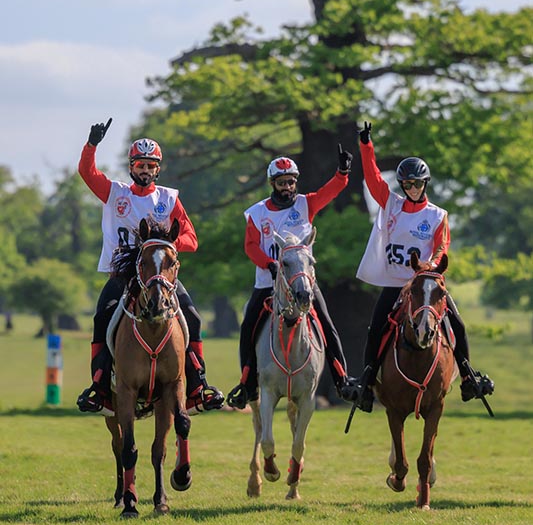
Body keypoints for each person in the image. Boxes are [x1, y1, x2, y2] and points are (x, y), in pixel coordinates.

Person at [76, 118, 224, 416]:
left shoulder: (168, 198)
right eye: (140, 165)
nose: (145, 170)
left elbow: (191, 238)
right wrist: (91, 145)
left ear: (158, 169)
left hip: (158, 273)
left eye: (150, 165)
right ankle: (101, 388)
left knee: (192, 318)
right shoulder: (115, 193)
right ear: (131, 167)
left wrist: (163, 246)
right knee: (102, 317)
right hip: (123, 273)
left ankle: (197, 387)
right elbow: (87, 172)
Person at [347, 121, 494, 412]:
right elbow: (373, 176)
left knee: (459, 326)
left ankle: (467, 377)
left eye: (417, 183)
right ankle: (365, 382)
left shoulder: (437, 215)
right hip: (395, 283)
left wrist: (430, 266)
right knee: (375, 327)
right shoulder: (391, 203)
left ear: (425, 183)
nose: (412, 188)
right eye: (407, 184)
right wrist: (366, 145)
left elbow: (442, 247)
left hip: (425, 283)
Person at [226, 146, 357, 409]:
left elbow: (330, 191)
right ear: (273, 183)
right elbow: (251, 245)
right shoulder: (257, 212)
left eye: (292, 181)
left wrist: (343, 172)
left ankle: (342, 378)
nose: (288, 187)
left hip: (303, 283)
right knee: (248, 327)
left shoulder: (306, 203)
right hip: (268, 283)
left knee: (327, 325)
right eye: (283, 182)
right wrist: (270, 264)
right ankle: (247, 384)